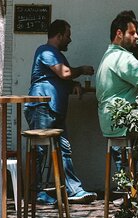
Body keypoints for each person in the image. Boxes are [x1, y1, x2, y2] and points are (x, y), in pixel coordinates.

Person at [24, 19, 97, 205]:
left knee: (64, 149)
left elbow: (61, 79)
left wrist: (74, 85)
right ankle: (36, 192)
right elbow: (64, 73)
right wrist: (81, 70)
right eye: (68, 36)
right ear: (59, 36)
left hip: (54, 108)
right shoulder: (46, 51)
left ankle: (74, 190)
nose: (69, 40)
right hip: (42, 105)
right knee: (39, 150)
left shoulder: (57, 54)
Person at [95, 12, 138, 182]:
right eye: (132, 33)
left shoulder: (111, 55)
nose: (136, 37)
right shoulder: (121, 57)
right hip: (125, 124)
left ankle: (134, 192)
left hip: (115, 122)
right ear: (119, 33)